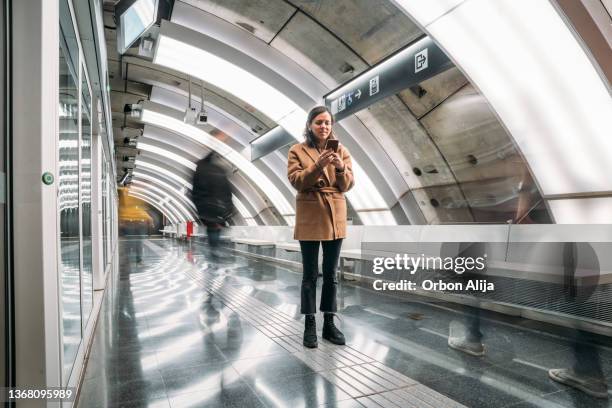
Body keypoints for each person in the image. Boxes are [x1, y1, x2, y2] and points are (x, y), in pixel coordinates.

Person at [287, 106, 354, 348]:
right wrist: (317, 166)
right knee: (309, 275)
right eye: (318, 122)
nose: (323, 126)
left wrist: (338, 167)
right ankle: (309, 324)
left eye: (327, 122)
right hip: (310, 213)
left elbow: (347, 185)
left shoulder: (341, 150)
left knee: (331, 275)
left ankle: (328, 323)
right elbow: (297, 181)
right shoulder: (297, 150)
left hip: (335, 213)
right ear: (309, 125)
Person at [192, 152, 234, 259]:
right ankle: (216, 252)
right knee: (215, 227)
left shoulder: (199, 173)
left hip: (206, 208)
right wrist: (228, 207)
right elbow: (227, 190)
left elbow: (195, 194)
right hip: (219, 206)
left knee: (212, 228)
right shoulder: (219, 171)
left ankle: (214, 252)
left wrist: (200, 209)